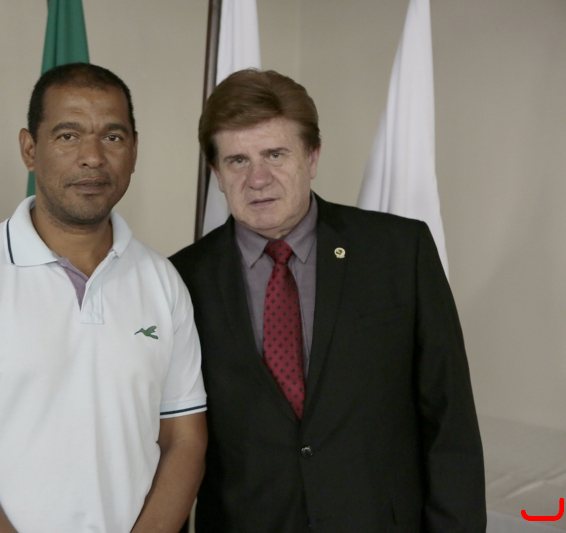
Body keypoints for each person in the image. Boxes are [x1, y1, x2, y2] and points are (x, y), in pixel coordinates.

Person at [170, 69, 485, 533]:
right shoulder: (180, 280)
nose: (258, 179)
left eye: (275, 154)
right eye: (237, 160)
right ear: (217, 173)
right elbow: (172, 442)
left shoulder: (399, 251)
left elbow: (448, 419)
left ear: (312, 156)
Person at [0, 63, 207, 533]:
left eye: (113, 137)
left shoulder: (162, 282)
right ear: (30, 149)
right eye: (68, 136)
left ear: (134, 150)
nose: (93, 157)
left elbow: (185, 442)